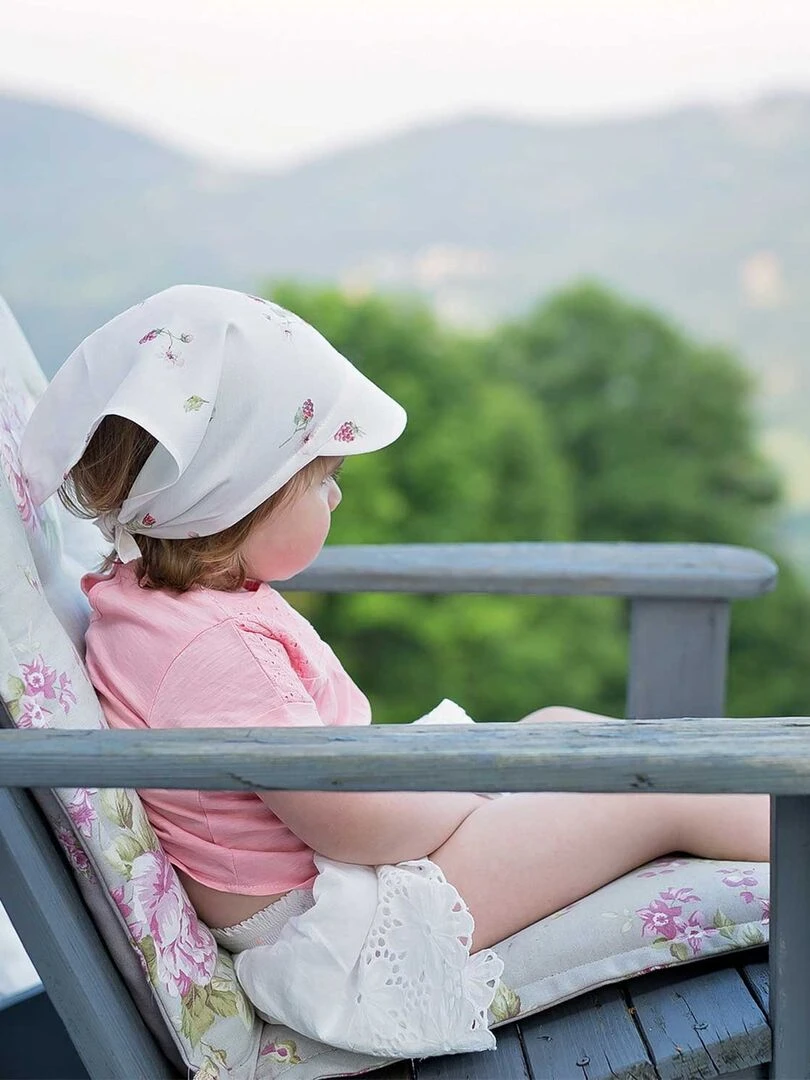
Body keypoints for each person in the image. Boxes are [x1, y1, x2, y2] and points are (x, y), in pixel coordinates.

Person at [20, 285, 769, 1058]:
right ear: (235, 495)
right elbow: (350, 822)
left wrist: (478, 782)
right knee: (650, 792)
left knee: (557, 734)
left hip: (340, 881)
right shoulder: (214, 650)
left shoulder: (152, 600)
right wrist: (472, 792)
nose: (337, 495)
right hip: (348, 924)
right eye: (321, 478)